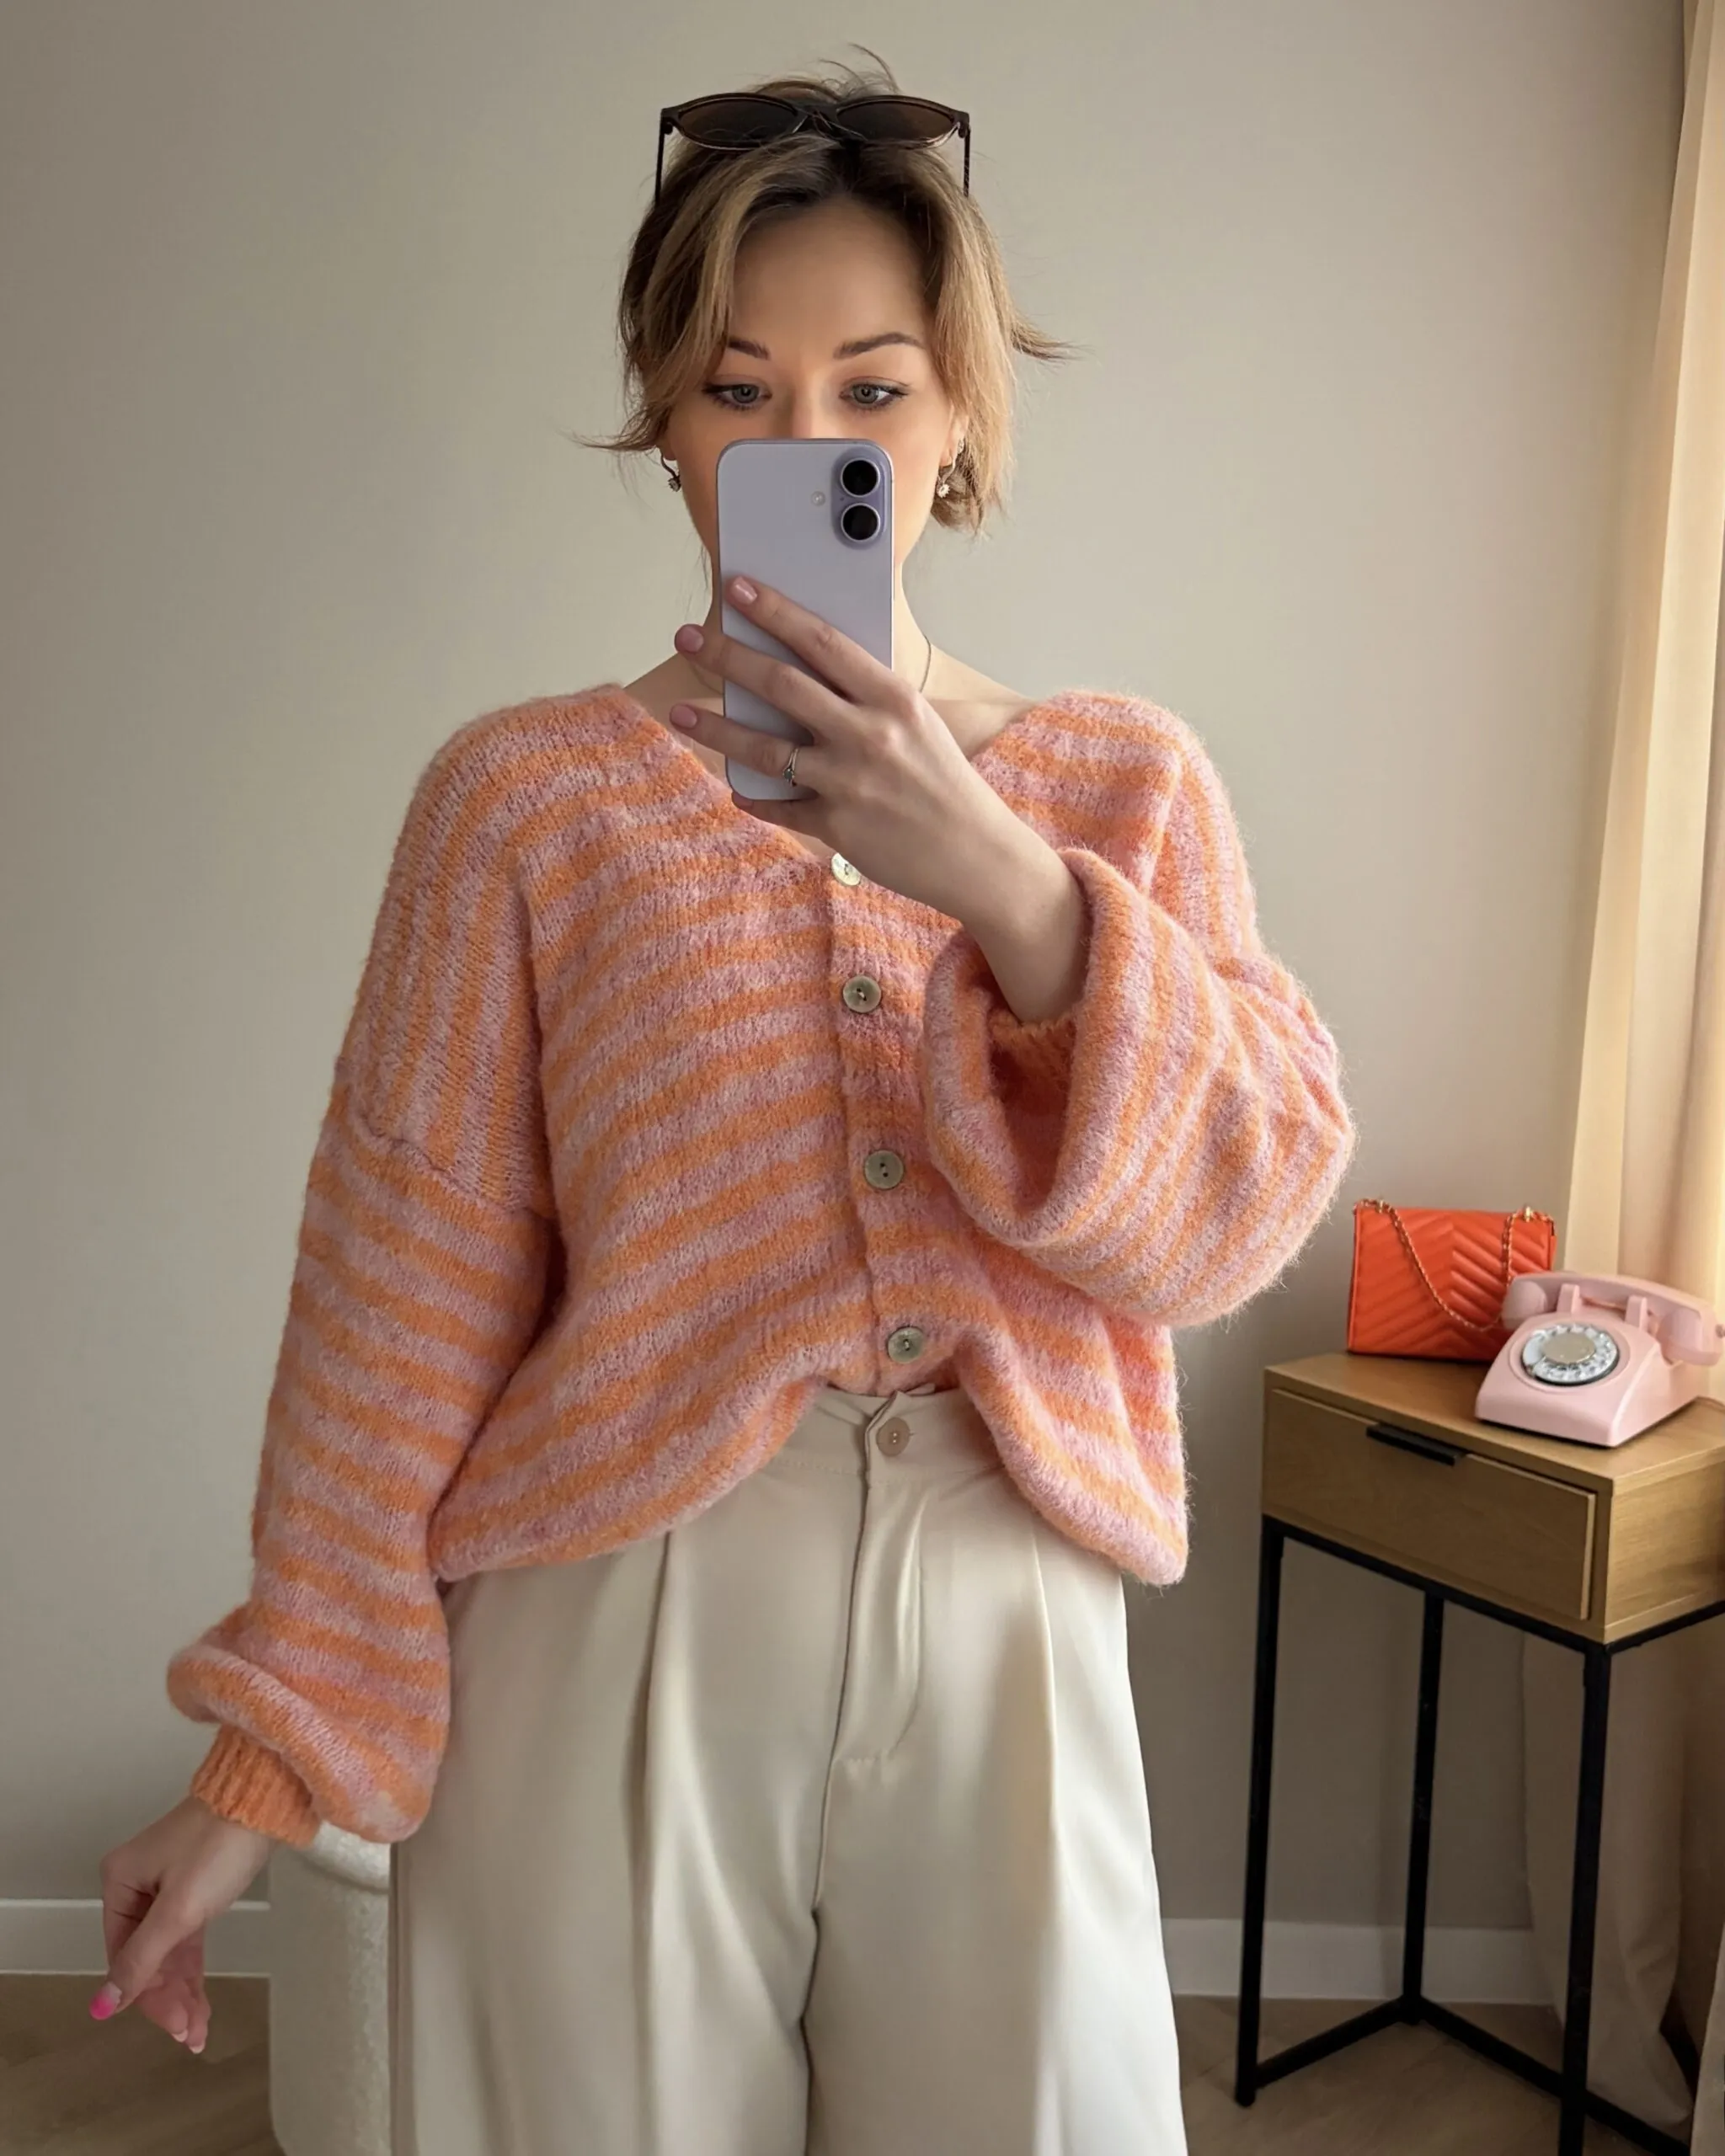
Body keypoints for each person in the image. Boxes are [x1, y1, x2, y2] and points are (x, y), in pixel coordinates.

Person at [93, 49, 1357, 2155]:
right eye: (736, 388)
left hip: (1008, 1600)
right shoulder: (524, 802)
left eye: (872, 388)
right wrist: (265, 1757)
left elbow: (1230, 1219)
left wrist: (1013, 889)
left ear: (959, 419)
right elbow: (398, 1300)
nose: (804, 441)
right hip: (622, 1605)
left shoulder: (1120, 785)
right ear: (665, 426)